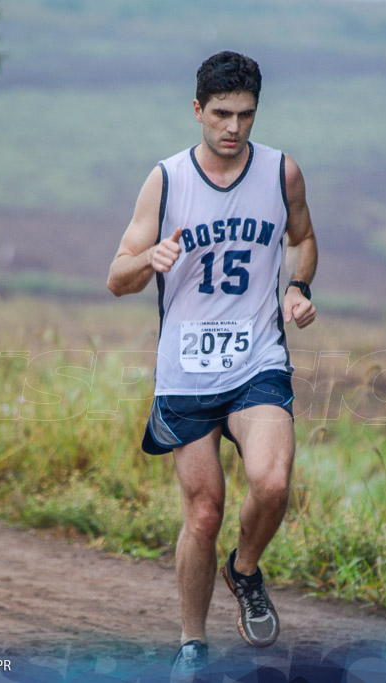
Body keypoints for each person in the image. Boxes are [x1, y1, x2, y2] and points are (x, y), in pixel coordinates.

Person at [106, 51, 318, 677]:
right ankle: (192, 643)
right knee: (204, 512)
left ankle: (244, 568)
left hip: (257, 359)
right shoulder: (166, 181)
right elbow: (117, 276)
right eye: (221, 114)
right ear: (197, 110)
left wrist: (299, 288)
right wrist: (152, 260)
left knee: (273, 482)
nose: (233, 128)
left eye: (245, 115)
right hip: (187, 372)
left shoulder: (282, 173)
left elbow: (301, 238)